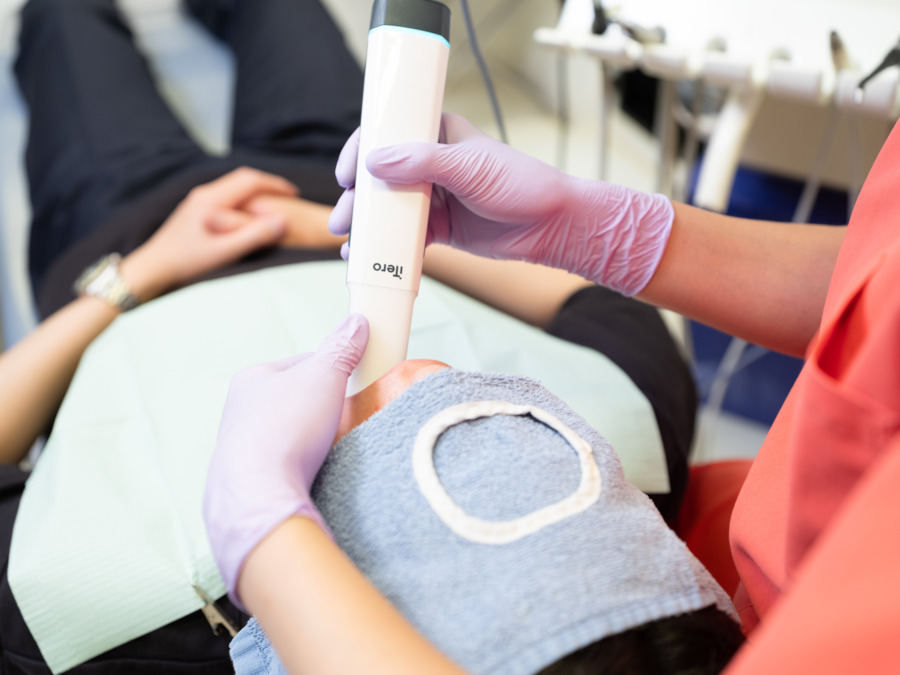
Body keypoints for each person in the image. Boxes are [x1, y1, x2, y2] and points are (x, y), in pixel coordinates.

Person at [0, 0, 698, 671]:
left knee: (65, 21)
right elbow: (596, 306)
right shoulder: (625, 461)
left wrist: (142, 272)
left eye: (432, 466)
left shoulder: (100, 623)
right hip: (347, 193)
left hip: (127, 235)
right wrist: (381, 231)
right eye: (486, 428)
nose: (430, 374)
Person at [324, 111, 900, 671]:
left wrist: (269, 541)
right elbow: (877, 275)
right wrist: (607, 231)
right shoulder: (649, 404)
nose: (427, 378)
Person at [203, 316, 745, 675]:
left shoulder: (171, 638)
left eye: (377, 434)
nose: (419, 373)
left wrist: (128, 280)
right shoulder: (652, 406)